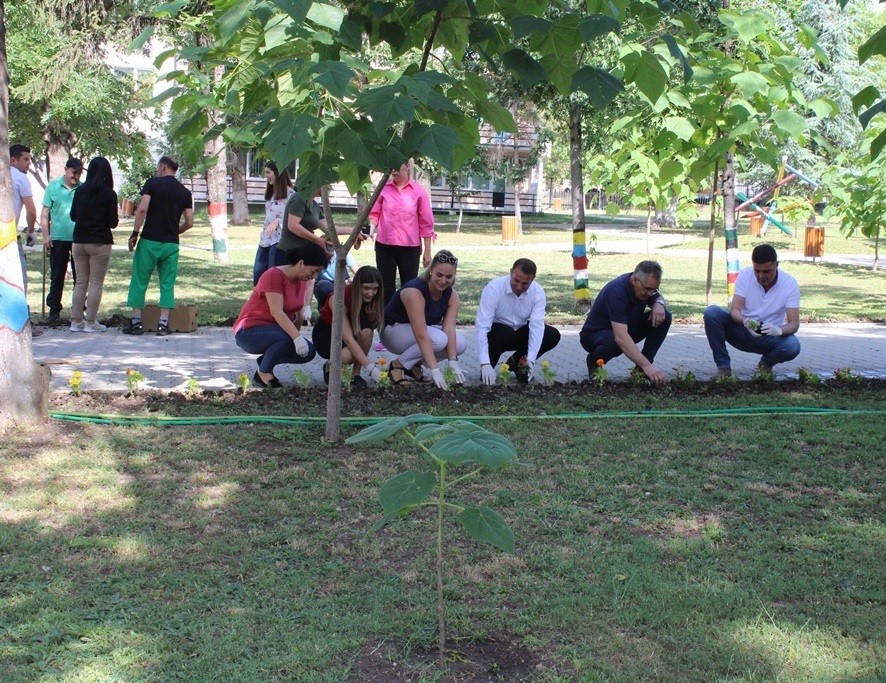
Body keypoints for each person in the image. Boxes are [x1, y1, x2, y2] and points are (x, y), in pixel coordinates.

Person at [234, 242, 329, 388]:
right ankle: (263, 374)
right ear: (301, 263)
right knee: (285, 338)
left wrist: (298, 338)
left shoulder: (302, 280)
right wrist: (296, 338)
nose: (314, 276)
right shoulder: (274, 275)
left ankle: (266, 362)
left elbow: (298, 313)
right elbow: (276, 311)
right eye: (314, 270)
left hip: (276, 332)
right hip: (249, 331)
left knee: (308, 352)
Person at [122, 156, 194, 337]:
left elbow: (143, 209)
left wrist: (135, 233)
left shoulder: (152, 184)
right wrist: (176, 231)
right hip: (171, 244)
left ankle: (136, 322)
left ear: (162, 166)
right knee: (167, 284)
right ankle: (163, 324)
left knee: (140, 280)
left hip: (149, 240)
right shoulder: (185, 192)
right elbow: (190, 221)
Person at [703, 244, 801, 376]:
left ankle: (766, 363)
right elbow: (735, 310)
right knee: (711, 313)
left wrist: (778, 330)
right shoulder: (745, 275)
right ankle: (723, 367)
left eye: (766, 271)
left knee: (792, 346)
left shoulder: (789, 283)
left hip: (770, 336)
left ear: (776, 265)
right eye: (757, 270)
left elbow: (794, 324)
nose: (761, 276)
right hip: (742, 331)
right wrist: (746, 321)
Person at [380, 249, 467, 390]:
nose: (443, 281)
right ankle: (398, 365)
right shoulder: (415, 291)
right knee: (439, 339)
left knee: (460, 343)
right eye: (439, 275)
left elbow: (449, 329)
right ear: (431, 270)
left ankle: (413, 365)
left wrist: (452, 361)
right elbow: (421, 335)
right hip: (392, 331)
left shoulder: (452, 296)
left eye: (449, 277)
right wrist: (435, 370)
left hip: (415, 333)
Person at [579, 260, 671, 386]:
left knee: (665, 317)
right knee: (615, 341)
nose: (650, 293)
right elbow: (621, 337)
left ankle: (640, 372)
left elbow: (656, 297)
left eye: (654, 289)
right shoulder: (617, 292)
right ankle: (594, 361)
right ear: (634, 281)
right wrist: (647, 366)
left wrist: (658, 304)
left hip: (624, 329)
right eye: (648, 289)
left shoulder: (644, 286)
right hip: (595, 335)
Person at [475, 258, 561, 385]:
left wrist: (530, 360)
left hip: (520, 331)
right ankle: (489, 366)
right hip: (497, 334)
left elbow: (536, 327)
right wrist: (484, 363)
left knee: (552, 334)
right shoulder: (494, 288)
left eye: (525, 283)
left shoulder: (538, 293)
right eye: (516, 280)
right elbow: (482, 326)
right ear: (511, 272)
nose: (519, 287)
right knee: (505, 333)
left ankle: (518, 362)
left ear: (533, 279)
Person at [369, 160, 435, 306]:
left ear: (407, 166)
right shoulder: (383, 189)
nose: (393, 170)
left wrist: (428, 252)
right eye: (390, 167)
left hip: (409, 249)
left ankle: (407, 322)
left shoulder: (418, 192)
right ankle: (386, 324)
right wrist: (370, 230)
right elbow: (374, 213)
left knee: (410, 288)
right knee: (386, 288)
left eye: (396, 166)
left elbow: (426, 224)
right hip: (384, 247)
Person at [68, 157, 119, 333]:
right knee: (96, 282)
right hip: (99, 241)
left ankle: (76, 321)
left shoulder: (80, 191)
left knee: (80, 282)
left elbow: (73, 216)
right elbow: (113, 222)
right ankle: (90, 322)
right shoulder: (109, 194)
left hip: (79, 240)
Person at [312, 265, 384, 386]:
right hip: (327, 334)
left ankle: (355, 374)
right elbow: (348, 339)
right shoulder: (339, 298)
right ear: (357, 285)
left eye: (374, 289)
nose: (370, 293)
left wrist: (372, 320)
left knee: (367, 333)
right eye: (366, 288)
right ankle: (330, 365)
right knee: (347, 356)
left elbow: (369, 332)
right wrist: (371, 368)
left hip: (352, 332)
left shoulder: (375, 298)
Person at [41, 157, 84, 323]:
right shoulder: (53, 186)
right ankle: (54, 310)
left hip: (78, 238)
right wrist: (46, 235)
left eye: (79, 173)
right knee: (57, 274)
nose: (76, 176)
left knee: (80, 277)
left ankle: (79, 309)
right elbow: (45, 213)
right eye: (74, 172)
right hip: (58, 238)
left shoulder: (82, 188)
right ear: (66, 169)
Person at [10, 144, 41, 336]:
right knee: (20, 280)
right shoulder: (21, 178)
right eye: (26, 159)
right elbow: (31, 210)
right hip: (8, 236)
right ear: (13, 160)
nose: (29, 163)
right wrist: (31, 231)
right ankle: (20, 325)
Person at [253, 161, 294, 285]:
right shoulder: (271, 194)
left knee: (273, 277)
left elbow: (295, 218)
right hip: (266, 239)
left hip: (279, 241)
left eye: (268, 172)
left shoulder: (291, 194)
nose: (266, 176)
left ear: (278, 172)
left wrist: (278, 221)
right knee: (258, 276)